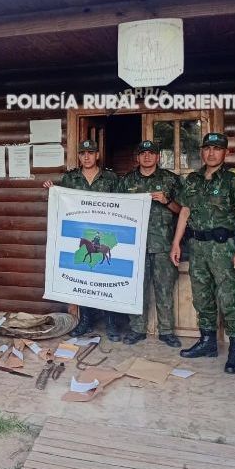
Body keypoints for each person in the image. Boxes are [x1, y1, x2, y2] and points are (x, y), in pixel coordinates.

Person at [171, 132, 235, 374]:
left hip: (223, 247)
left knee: (229, 298)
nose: (211, 153)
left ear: (225, 152)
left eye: (217, 149)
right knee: (202, 296)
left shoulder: (234, 180)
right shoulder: (193, 180)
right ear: (202, 152)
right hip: (197, 246)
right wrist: (176, 244)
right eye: (207, 148)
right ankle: (207, 341)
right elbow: (184, 212)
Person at [43, 139, 121, 340]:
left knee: (107, 278)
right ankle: (85, 320)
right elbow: (63, 200)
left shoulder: (111, 178)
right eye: (83, 153)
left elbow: (123, 204)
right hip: (81, 234)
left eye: (91, 153)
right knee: (85, 278)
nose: (86, 157)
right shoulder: (71, 179)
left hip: (105, 233)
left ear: (97, 155)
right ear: (79, 156)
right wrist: (53, 191)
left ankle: (112, 322)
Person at [118, 140, 182, 347]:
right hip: (134, 246)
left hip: (163, 245)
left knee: (164, 289)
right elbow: (115, 210)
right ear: (138, 157)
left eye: (151, 153)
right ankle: (137, 329)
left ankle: (166, 331)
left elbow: (184, 211)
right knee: (137, 289)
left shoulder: (170, 180)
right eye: (143, 153)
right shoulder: (127, 181)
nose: (147, 157)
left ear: (158, 157)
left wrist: (166, 201)